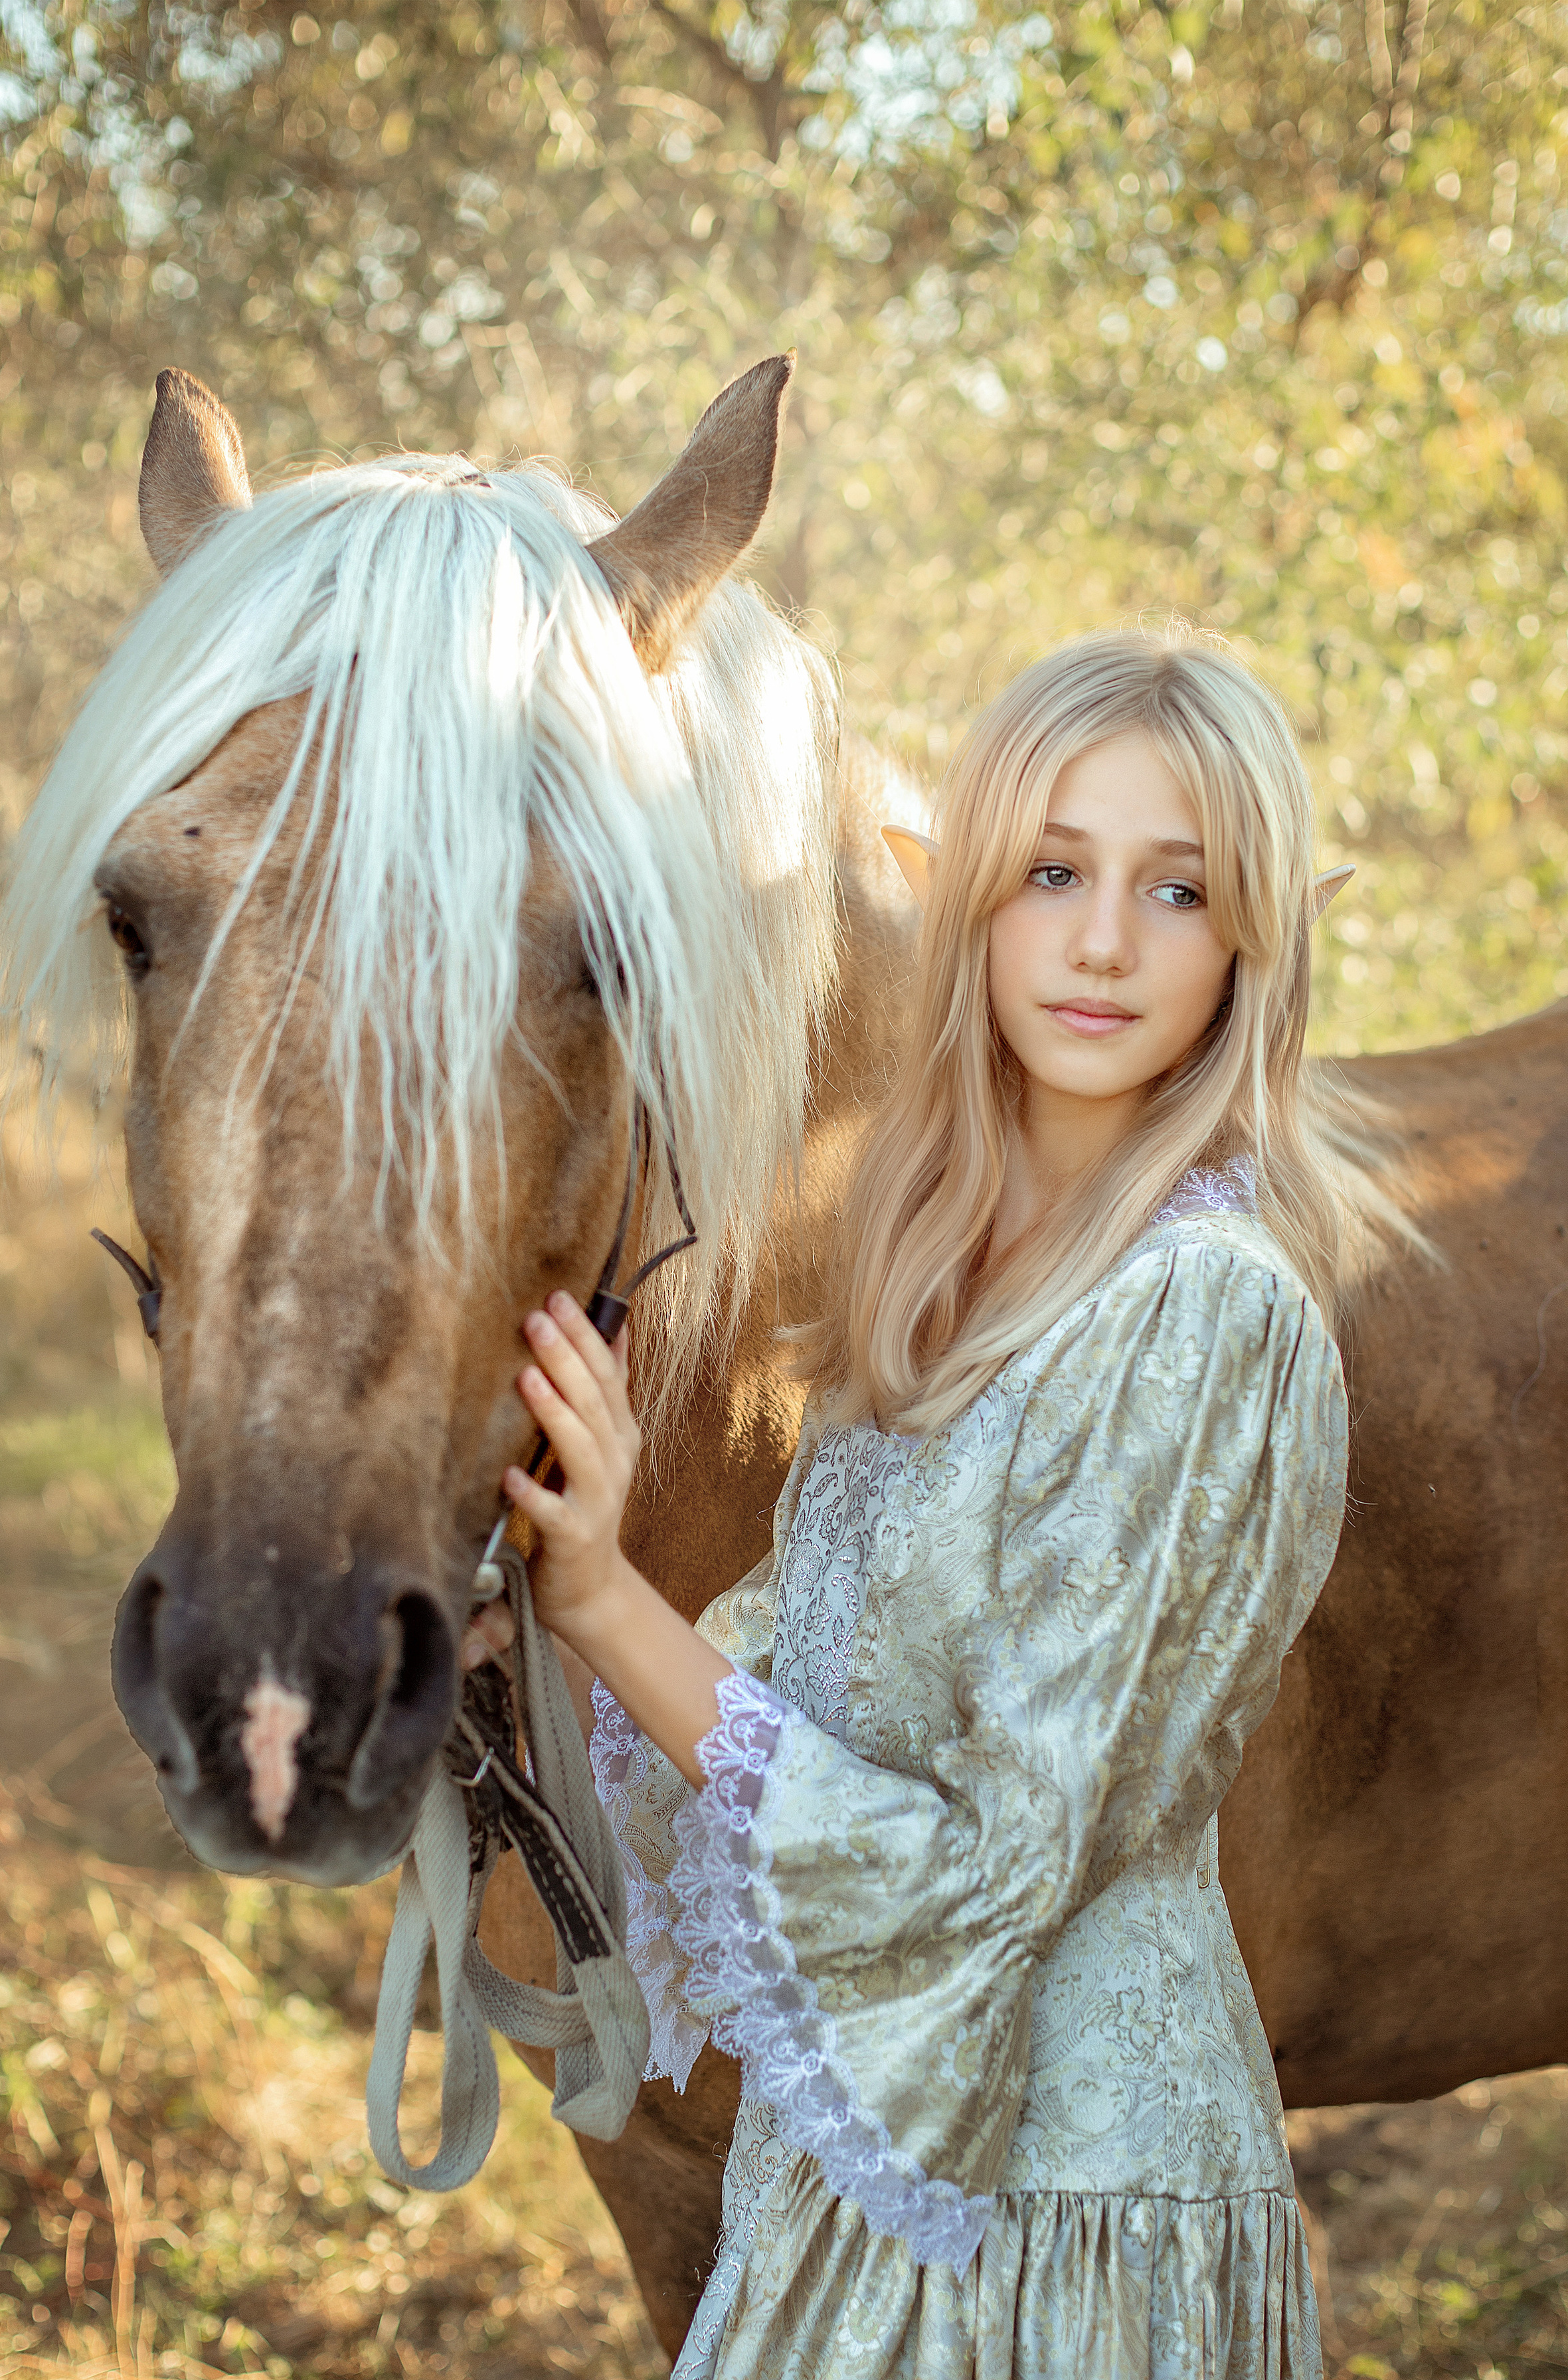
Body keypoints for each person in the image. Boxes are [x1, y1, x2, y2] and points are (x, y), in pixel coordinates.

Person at [468, 626, 1351, 2377]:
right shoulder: (961, 1289)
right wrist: (574, 1573)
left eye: (1177, 889)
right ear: (972, 910)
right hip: (885, 2184)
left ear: (1252, 936)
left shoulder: (1204, 1314)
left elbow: (992, 1865)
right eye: (1052, 872)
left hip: (1055, 2226)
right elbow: (836, 1703)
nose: (1103, 942)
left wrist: (612, 1609)